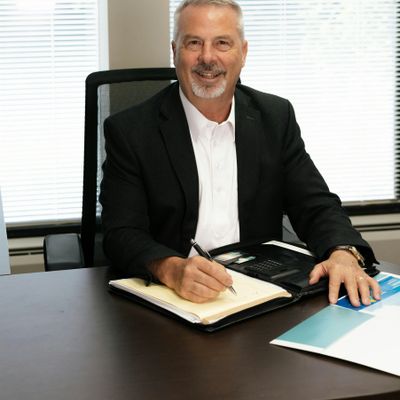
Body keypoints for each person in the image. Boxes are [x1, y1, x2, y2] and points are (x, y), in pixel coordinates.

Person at [100, 0, 381, 306]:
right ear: (175, 51)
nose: (208, 57)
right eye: (194, 43)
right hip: (174, 297)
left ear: (243, 53)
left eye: (222, 43)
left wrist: (342, 252)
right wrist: (171, 269)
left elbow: (314, 203)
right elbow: (121, 232)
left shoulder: (275, 117)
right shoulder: (131, 131)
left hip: (260, 293)